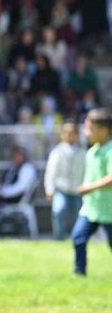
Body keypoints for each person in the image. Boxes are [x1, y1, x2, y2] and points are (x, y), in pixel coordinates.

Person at [71, 108, 112, 276]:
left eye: (90, 129)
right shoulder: (92, 151)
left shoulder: (110, 151)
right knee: (78, 238)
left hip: (109, 210)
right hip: (91, 208)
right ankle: (79, 274)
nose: (86, 133)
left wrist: (90, 188)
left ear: (104, 130)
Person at [44, 122, 87, 241]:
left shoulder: (83, 152)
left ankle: (77, 238)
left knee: (79, 216)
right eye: (67, 133)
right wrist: (49, 188)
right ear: (62, 135)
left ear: (77, 135)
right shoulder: (57, 151)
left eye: (72, 133)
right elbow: (51, 171)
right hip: (61, 189)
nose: (69, 136)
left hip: (78, 190)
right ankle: (59, 238)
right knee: (59, 211)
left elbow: (87, 171)